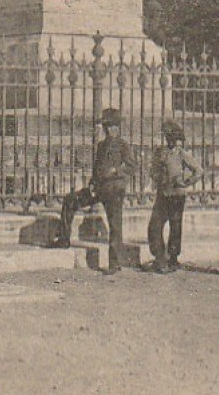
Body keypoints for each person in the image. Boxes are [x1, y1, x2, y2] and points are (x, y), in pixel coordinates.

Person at [55, 108, 136, 273]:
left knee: (115, 226)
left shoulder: (123, 146)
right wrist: (92, 183)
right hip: (99, 189)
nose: (109, 130)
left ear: (117, 127)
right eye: (107, 126)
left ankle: (115, 264)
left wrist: (115, 172)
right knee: (70, 200)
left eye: (112, 126)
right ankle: (63, 239)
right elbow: (97, 168)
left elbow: (132, 166)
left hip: (114, 189)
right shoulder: (101, 145)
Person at [146, 120, 202, 273]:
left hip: (177, 195)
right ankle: (159, 258)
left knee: (175, 228)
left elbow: (198, 170)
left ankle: (173, 259)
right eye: (168, 137)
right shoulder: (159, 153)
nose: (170, 140)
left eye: (173, 138)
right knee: (154, 227)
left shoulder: (181, 153)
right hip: (162, 194)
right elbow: (152, 171)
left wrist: (186, 182)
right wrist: (156, 177)